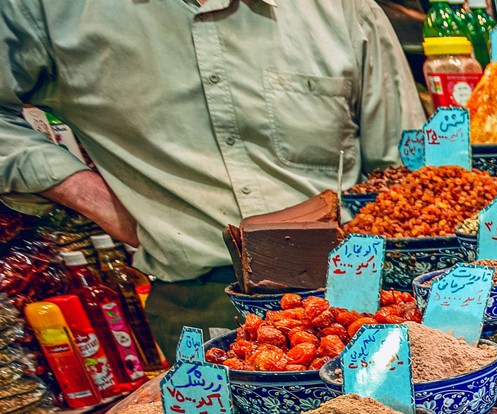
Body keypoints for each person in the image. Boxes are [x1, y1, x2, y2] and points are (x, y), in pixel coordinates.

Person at [0, 0, 424, 351]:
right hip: (201, 299)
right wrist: (90, 196)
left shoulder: (341, 9)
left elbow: (408, 174)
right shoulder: (50, 11)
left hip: (360, 287)